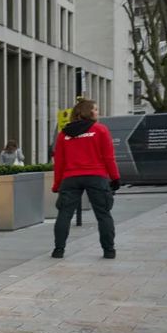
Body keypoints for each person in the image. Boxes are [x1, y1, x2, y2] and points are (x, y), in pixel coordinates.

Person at [51, 97, 119, 259]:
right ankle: (109, 251)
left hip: (71, 178)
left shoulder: (63, 135)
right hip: (96, 176)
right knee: (103, 214)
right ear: (87, 112)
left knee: (64, 214)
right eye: (95, 109)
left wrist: (57, 184)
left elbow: (59, 161)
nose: (97, 112)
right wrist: (115, 178)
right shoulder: (100, 130)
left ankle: (58, 250)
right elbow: (109, 157)